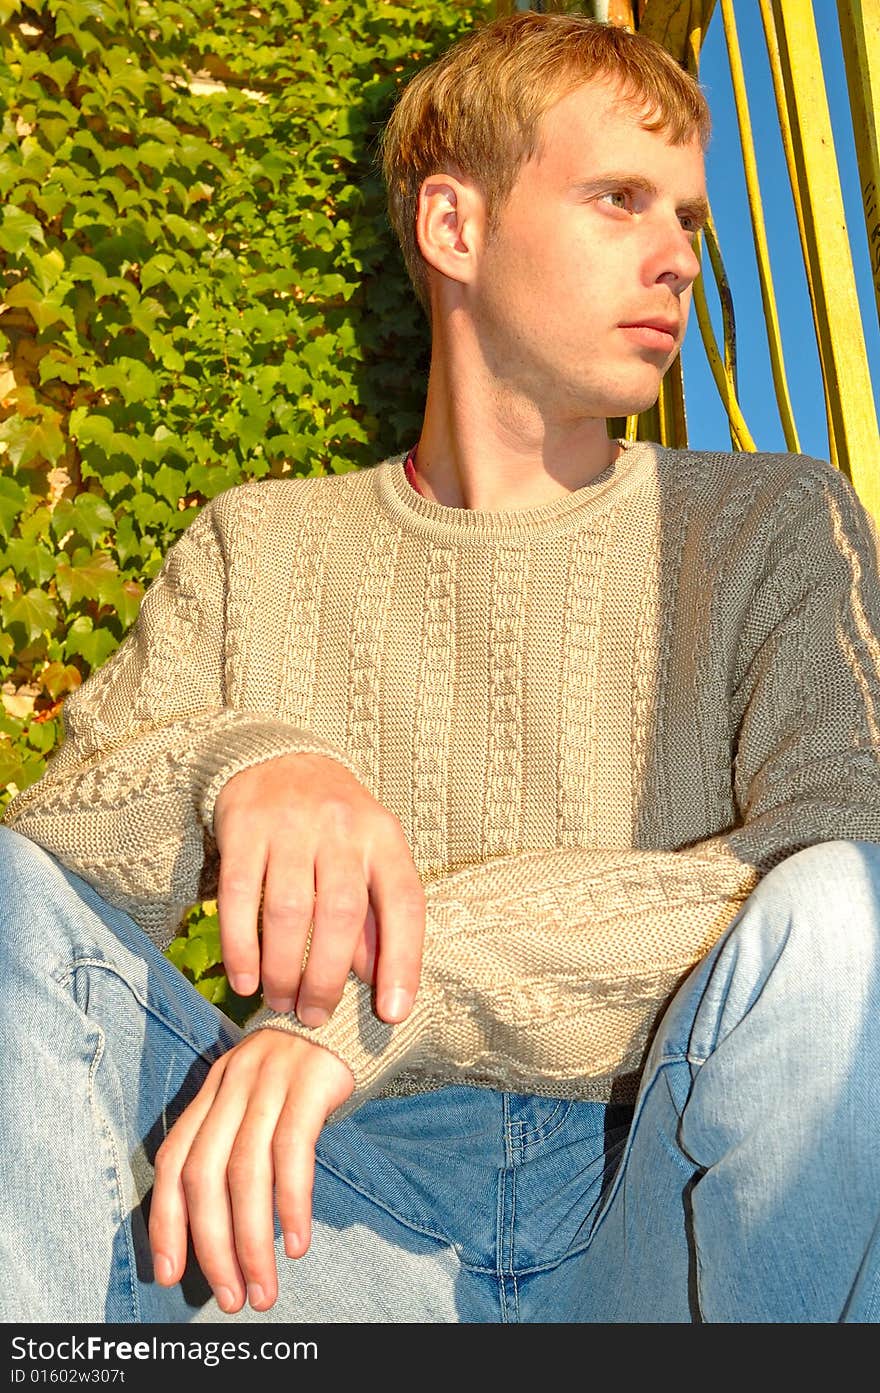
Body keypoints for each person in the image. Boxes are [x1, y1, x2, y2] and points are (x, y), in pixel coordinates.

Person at [4, 9, 880, 1326]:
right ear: (454, 227)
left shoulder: (777, 527)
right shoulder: (261, 540)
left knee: (840, 912)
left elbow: (845, 850)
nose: (676, 258)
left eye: (688, 220)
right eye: (619, 199)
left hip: (670, 1212)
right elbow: (51, 886)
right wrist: (242, 764)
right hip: (319, 1226)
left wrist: (381, 1000)